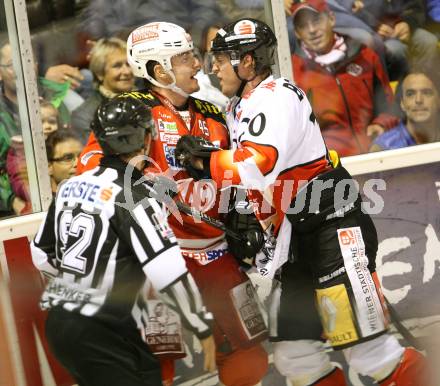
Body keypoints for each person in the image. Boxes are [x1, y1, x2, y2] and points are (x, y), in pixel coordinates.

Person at [177, 17, 431, 385]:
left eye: (220, 56)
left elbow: (257, 163)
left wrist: (206, 161)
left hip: (332, 223)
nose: (212, 66)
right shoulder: (238, 106)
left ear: (247, 61)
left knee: (371, 353)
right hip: (294, 234)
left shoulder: (275, 95)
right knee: (296, 356)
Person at [78, 21, 269, 386]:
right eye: (185, 57)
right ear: (158, 69)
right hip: (162, 259)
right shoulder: (129, 112)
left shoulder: (214, 113)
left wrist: (244, 212)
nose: (197, 64)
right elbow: (90, 168)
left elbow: (242, 172)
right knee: (157, 363)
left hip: (216, 253)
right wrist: (133, 178)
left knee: (249, 352)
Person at [30, 97, 216, 386]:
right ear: (144, 139)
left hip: (61, 323)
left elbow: (40, 252)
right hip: (104, 329)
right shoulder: (134, 197)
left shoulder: (70, 186)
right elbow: (167, 272)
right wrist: (202, 327)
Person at [290, 0, 399, 157]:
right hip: (331, 166)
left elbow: (388, 104)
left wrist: (381, 125)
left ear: (332, 19)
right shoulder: (294, 72)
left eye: (316, 21)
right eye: (303, 26)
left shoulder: (364, 55)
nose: (312, 30)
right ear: (297, 33)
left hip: (375, 155)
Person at [71, 37, 135, 144]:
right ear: (99, 73)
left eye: (129, 64)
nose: (127, 71)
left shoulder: (148, 98)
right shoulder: (84, 116)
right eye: (117, 66)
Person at [6, 100, 61, 213]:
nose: (47, 127)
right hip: (35, 201)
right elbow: (19, 178)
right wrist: (33, 194)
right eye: (40, 122)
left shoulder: (60, 145)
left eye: (52, 122)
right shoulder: (20, 148)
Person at [371, 71, 440, 151]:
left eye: (426, 93)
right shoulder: (384, 148)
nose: (418, 100)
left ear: (438, 100)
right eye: (410, 94)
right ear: (402, 103)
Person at [45, 129, 83, 194]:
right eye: (68, 158)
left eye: (82, 156)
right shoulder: (43, 202)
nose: (78, 163)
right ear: (49, 166)